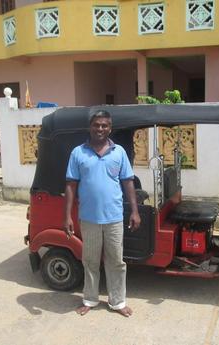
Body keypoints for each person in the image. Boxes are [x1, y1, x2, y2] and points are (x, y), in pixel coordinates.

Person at [64, 110, 141, 317]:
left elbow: (127, 181)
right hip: (88, 218)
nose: (100, 129)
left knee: (116, 261)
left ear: (110, 127)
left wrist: (134, 211)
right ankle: (89, 299)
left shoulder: (119, 152)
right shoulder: (78, 153)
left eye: (104, 125)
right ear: (90, 127)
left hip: (114, 217)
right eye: (96, 125)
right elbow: (71, 185)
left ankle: (117, 302)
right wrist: (68, 216)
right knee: (89, 260)